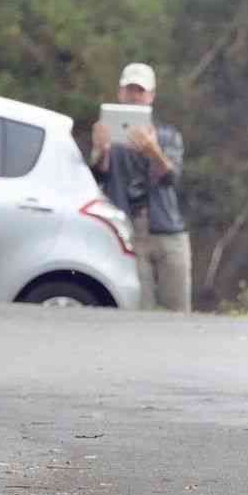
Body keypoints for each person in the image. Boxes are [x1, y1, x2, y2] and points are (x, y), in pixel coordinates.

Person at [89, 62, 191, 312]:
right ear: (120, 93)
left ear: (151, 96)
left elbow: (172, 178)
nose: (134, 96)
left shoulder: (167, 135)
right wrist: (101, 150)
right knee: (137, 310)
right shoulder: (107, 134)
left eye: (140, 91)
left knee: (179, 310)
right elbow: (96, 178)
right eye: (129, 90)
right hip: (128, 232)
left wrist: (153, 150)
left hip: (167, 230)